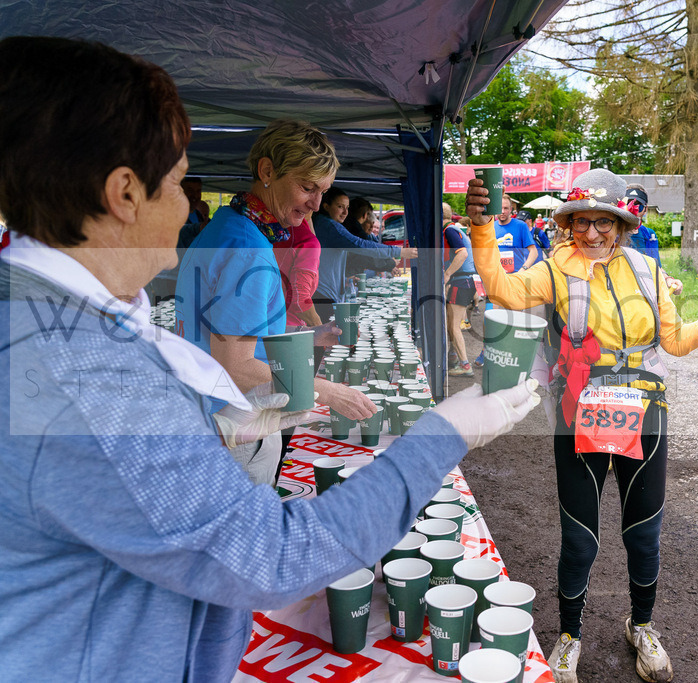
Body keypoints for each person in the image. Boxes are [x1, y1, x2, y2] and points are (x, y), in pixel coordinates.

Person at [0, 36, 540, 682]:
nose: (187, 206)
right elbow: (272, 554)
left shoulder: (41, 319)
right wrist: (444, 434)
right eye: (177, 183)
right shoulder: (87, 375)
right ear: (123, 193)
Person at [466, 168, 698, 683]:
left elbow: (672, 341)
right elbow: (502, 290)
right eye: (582, 222)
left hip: (645, 413)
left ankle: (641, 626)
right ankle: (569, 635)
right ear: (569, 224)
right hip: (579, 414)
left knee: (644, 533)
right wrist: (482, 228)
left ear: (622, 224)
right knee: (580, 537)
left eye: (605, 222)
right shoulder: (554, 269)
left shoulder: (647, 270)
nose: (593, 233)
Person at [176, 119, 377, 486]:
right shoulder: (250, 248)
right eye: (307, 187)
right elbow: (236, 365)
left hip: (206, 418)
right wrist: (326, 391)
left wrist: (313, 334)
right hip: (235, 428)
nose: (316, 205)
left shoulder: (227, 224)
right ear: (267, 170)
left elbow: (227, 327)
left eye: (323, 191)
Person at [311, 187, 415, 321]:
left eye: (347, 207)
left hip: (324, 292)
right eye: (340, 207)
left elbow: (328, 261)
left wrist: (345, 277)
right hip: (323, 294)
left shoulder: (326, 224)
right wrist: (399, 251)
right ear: (326, 206)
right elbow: (360, 244)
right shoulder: (328, 226)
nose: (345, 212)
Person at [473, 193, 539, 366]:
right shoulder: (491, 226)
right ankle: (487, 352)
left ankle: (513, 357)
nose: (502, 212)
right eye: (500, 208)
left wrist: (524, 269)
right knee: (492, 319)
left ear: (512, 210)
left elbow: (534, 251)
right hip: (496, 280)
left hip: (516, 280)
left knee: (514, 321)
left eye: (506, 208)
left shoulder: (520, 226)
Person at [442, 202, 476, 376]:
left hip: (461, 282)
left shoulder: (449, 230)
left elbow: (462, 254)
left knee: (454, 326)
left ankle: (465, 366)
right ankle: (454, 357)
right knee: (450, 324)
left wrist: (447, 274)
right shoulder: (453, 229)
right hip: (464, 281)